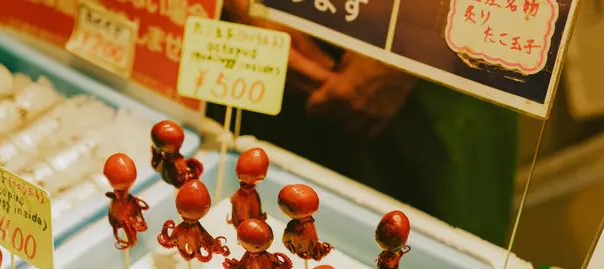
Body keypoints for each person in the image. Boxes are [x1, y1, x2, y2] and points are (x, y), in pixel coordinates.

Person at [215, 0, 518, 246]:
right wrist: (236, 6)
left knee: (444, 255)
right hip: (266, 65)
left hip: (441, 92)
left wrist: (423, 41)